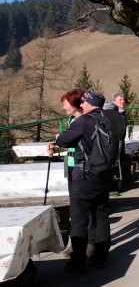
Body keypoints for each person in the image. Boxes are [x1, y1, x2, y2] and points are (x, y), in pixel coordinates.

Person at [55, 89, 113, 273]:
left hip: (84, 177)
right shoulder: (107, 119)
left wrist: (60, 138)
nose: (82, 104)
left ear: (87, 103)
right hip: (103, 175)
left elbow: (63, 140)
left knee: (79, 220)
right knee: (101, 216)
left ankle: (78, 262)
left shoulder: (83, 121)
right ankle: (101, 257)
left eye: (83, 102)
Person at [50, 89, 85, 257]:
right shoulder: (72, 119)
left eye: (65, 104)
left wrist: (60, 140)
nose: (64, 108)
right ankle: (80, 244)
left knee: (79, 209)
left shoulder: (81, 120)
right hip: (71, 164)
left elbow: (69, 139)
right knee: (75, 206)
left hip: (80, 166)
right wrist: (56, 145)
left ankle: (81, 247)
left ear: (74, 103)